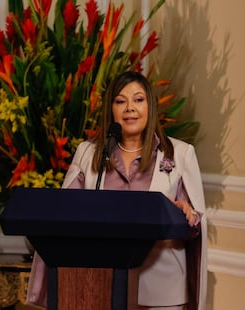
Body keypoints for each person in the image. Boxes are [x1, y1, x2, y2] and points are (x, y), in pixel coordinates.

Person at [27, 71, 207, 310]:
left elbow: (194, 220)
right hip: (99, 283)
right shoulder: (89, 153)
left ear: (150, 106)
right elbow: (65, 212)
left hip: (161, 286)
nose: (130, 108)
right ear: (110, 110)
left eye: (138, 100)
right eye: (121, 101)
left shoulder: (180, 153)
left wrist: (186, 213)